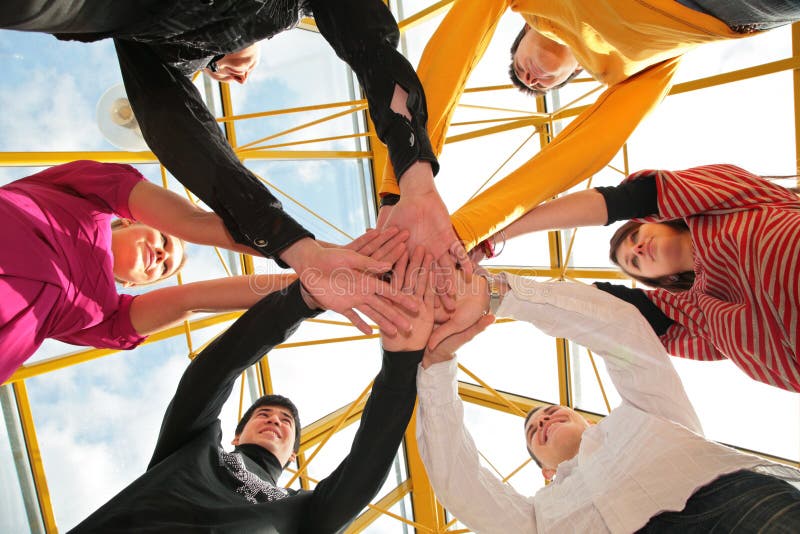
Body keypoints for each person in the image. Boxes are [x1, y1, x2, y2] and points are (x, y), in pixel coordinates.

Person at [0, 0, 463, 329]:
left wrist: (305, 255)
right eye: (222, 70)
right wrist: (413, 178)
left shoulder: (158, 51)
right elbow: (372, 45)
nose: (235, 76)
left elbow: (185, 140)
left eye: (218, 69)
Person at [376, 0, 800, 253]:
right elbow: (581, 153)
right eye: (539, 84)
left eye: (518, 66)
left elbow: (449, 56)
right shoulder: (636, 73)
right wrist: (464, 229)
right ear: (572, 79)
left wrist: (397, 187)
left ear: (523, 28)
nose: (530, 78)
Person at [69, 243, 436, 533]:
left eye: (285, 422)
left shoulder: (306, 511)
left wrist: (402, 361)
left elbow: (368, 462)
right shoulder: (192, 445)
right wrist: (302, 299)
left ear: (294, 454)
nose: (274, 420)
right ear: (235, 434)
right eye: (264, 414)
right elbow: (213, 371)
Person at [416, 275, 800, 533]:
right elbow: (459, 482)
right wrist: (436, 366)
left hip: (729, 506)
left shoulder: (646, 411)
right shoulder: (535, 517)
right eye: (535, 432)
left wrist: (497, 292)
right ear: (546, 472)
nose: (544, 421)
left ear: (586, 420)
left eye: (552, 412)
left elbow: (621, 331)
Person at [0, 160, 409, 384]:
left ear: (135, 285)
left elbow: (196, 299)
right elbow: (193, 223)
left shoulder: (106, 315)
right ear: (127, 221)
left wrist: (329, 277)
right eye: (162, 242)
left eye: (164, 268)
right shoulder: (84, 196)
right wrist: (319, 254)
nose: (161, 255)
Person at [469, 163, 800, 392]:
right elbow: (591, 307)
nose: (639, 249)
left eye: (635, 236)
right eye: (634, 263)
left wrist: (494, 235)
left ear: (656, 220)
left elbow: (620, 200)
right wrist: (485, 289)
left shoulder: (733, 203)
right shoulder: (691, 315)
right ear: (660, 281)